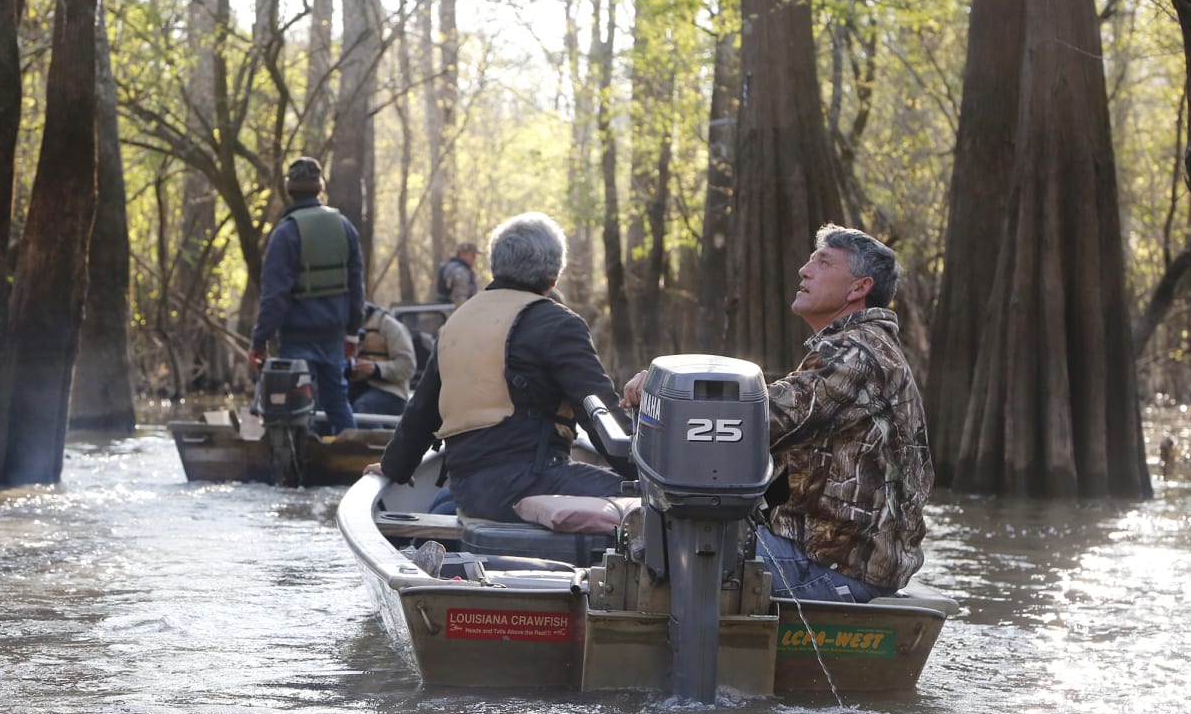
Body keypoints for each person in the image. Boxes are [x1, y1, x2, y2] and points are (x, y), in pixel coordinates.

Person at [622, 223, 932, 602]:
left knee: (658, 544)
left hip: (829, 571)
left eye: (823, 263)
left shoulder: (856, 354)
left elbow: (751, 421)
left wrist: (657, 387)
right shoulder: (859, 346)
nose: (804, 270)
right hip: (832, 561)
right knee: (665, 530)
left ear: (858, 288)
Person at [372, 212, 629, 521]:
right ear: (554, 276)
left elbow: (421, 412)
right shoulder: (559, 324)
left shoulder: (456, 323)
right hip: (533, 484)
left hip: (467, 491)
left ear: (495, 265)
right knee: (643, 502)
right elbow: (601, 415)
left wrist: (393, 468)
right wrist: (650, 474)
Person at [248, 156, 364, 435]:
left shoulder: (285, 233)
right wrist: (352, 333)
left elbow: (274, 297)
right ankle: (353, 459)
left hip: (297, 337)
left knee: (291, 401)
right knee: (337, 401)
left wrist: (260, 340)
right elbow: (356, 287)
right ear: (319, 188)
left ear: (290, 190)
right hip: (334, 334)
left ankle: (296, 463)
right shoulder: (345, 228)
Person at [349, 302, 416, 416]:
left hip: (391, 392)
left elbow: (407, 366)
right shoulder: (340, 326)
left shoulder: (390, 326)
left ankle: (378, 434)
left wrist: (377, 368)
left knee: (363, 407)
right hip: (354, 388)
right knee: (328, 405)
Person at [434, 241, 480, 307]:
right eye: (473, 255)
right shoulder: (461, 272)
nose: (475, 258)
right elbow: (461, 299)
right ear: (463, 254)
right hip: (455, 312)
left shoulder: (449, 266)